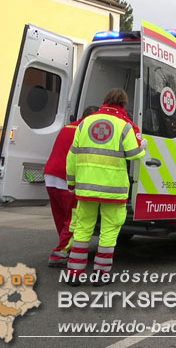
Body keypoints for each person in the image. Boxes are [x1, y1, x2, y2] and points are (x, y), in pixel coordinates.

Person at [66, 90, 145, 286]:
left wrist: (71, 183)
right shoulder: (125, 126)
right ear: (124, 104)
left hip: (85, 188)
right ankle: (101, 274)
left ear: (105, 100)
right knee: (109, 231)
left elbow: (72, 156)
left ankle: (74, 273)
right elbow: (135, 154)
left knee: (82, 229)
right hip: (113, 188)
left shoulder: (85, 123)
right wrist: (143, 146)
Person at [45, 106, 99, 268]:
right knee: (74, 218)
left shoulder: (67, 128)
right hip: (68, 178)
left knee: (61, 216)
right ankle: (60, 252)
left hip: (51, 175)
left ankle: (67, 247)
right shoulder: (86, 131)